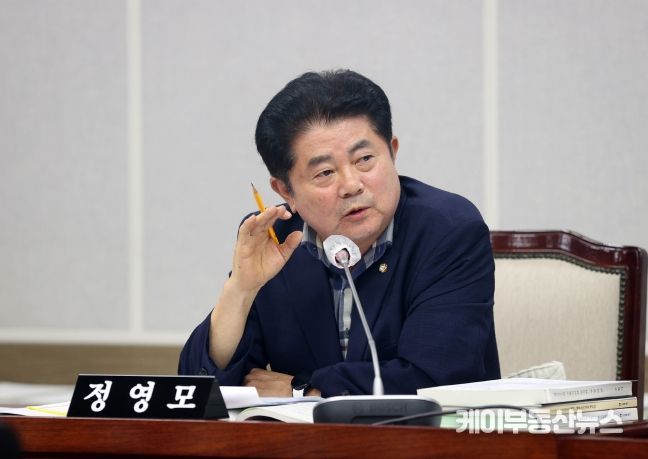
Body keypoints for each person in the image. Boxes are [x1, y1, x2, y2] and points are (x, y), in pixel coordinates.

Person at [179, 70, 500, 397]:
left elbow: (436, 379)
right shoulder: (277, 241)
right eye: (325, 173)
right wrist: (240, 290)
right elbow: (199, 389)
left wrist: (302, 389)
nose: (351, 185)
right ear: (286, 191)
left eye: (365, 159)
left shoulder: (448, 232)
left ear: (393, 152)